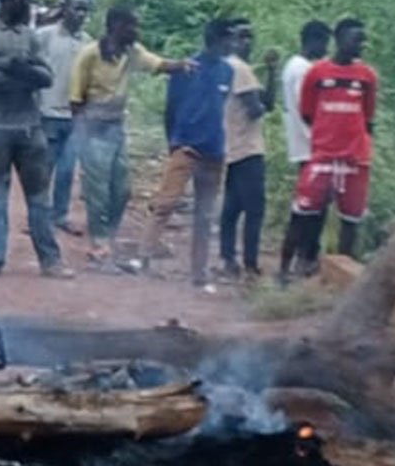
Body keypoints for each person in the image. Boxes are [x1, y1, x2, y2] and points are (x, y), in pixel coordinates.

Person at [69, 5, 191, 269]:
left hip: (115, 128)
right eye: (132, 26)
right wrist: (81, 138)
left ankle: (107, 236)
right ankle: (98, 243)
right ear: (115, 26)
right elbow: (76, 99)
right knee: (97, 190)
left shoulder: (131, 53)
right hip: (93, 128)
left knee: (122, 190)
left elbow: (158, 64)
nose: (136, 31)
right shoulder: (89, 55)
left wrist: (183, 66)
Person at [0, 0, 72, 279]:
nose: (28, 5)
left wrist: (13, 68)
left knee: (39, 197)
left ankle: (50, 261)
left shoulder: (30, 34)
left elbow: (47, 76)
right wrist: (24, 75)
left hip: (29, 124)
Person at [141, 19, 239, 291]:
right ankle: (144, 257)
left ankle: (199, 271)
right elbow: (171, 107)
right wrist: (174, 142)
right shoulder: (187, 68)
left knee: (205, 214)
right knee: (165, 203)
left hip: (214, 150)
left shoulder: (228, 71)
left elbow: (221, 108)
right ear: (216, 40)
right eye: (229, 39)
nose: (233, 44)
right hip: (186, 146)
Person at [283, 18, 379, 280]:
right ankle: (284, 272)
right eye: (355, 39)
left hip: (354, 158)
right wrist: (329, 137)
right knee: (303, 211)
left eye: (362, 40)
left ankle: (342, 278)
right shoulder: (317, 73)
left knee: (350, 221)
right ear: (338, 39)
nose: (360, 45)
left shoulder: (367, 76)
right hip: (323, 156)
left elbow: (368, 118)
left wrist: (357, 146)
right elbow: (307, 113)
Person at [275, 21, 333, 280]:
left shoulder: (296, 67)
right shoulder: (303, 70)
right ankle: (301, 260)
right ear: (316, 41)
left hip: (307, 145)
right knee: (309, 209)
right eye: (324, 43)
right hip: (311, 146)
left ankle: (305, 258)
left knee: (312, 208)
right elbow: (309, 110)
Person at [217, 18, 274, 279]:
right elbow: (256, 109)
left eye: (250, 36)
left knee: (232, 206)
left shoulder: (227, 66)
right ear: (230, 40)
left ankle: (228, 258)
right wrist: (260, 102)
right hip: (248, 148)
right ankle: (250, 263)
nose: (247, 42)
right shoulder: (240, 69)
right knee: (254, 208)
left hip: (230, 145)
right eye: (242, 37)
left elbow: (266, 103)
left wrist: (271, 72)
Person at [36, 0, 93, 236]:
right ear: (64, 10)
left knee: (67, 169)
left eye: (84, 9)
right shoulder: (45, 36)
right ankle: (38, 217)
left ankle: (60, 215)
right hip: (48, 111)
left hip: (76, 115)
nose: (80, 14)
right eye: (76, 8)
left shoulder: (88, 43)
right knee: (44, 169)